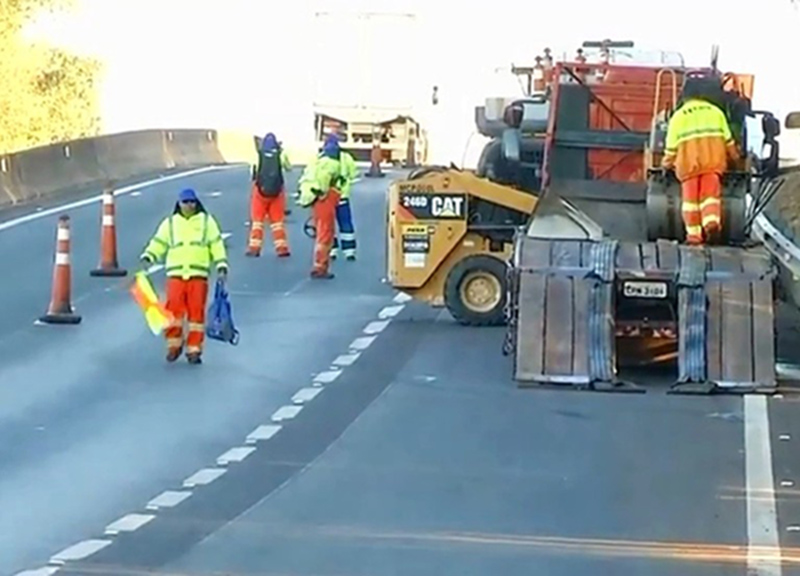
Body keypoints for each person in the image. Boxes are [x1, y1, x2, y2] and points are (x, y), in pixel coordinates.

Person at [140, 188, 229, 364]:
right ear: (179, 204)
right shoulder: (171, 223)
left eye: (192, 202)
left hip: (198, 275)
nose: (189, 205)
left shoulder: (206, 222)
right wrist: (149, 256)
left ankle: (194, 349)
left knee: (196, 314)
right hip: (176, 275)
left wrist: (221, 264)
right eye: (185, 202)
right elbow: (159, 242)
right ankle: (173, 346)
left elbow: (216, 243)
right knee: (173, 313)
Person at [661, 78, 741, 244]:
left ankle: (694, 236)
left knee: (690, 203)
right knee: (710, 198)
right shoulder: (716, 112)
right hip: (713, 165)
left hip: (689, 167)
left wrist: (665, 164)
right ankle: (711, 224)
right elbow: (729, 141)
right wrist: (736, 159)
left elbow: (671, 149)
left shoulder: (678, 117)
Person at [297, 140, 343, 279]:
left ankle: (319, 265)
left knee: (321, 232)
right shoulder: (332, 164)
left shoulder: (315, 163)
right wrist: (323, 192)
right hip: (324, 200)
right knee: (325, 234)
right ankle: (320, 267)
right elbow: (325, 180)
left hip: (314, 200)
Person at [246, 133, 291, 257]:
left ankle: (254, 247)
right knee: (277, 222)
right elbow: (289, 167)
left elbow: (252, 172)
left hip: (260, 191)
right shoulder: (281, 155)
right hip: (277, 192)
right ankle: (282, 248)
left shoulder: (258, 155)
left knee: (257, 221)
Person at [324, 135, 359, 260]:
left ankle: (332, 250)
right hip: (342, 196)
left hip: (327, 197)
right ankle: (349, 251)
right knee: (345, 223)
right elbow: (354, 173)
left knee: (328, 224)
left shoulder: (321, 158)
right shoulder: (346, 158)